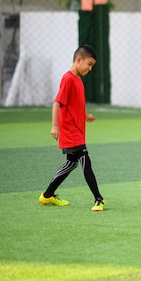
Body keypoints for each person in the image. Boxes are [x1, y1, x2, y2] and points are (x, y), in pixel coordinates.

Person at [38, 45, 105, 212]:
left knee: (72, 163)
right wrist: (54, 126)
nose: (90, 69)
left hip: (77, 128)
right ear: (79, 60)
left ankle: (47, 195)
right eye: (89, 64)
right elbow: (57, 103)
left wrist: (84, 115)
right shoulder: (68, 79)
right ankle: (98, 198)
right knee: (84, 159)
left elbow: (75, 105)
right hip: (70, 130)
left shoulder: (77, 80)